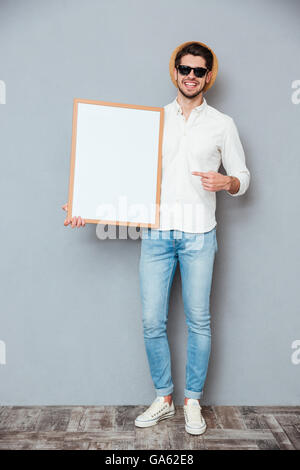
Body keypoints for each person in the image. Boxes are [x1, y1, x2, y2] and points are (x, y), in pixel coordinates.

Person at [62, 41, 250, 436]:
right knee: (152, 321)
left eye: (199, 71)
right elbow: (118, 170)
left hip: (201, 234)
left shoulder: (222, 124)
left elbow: (244, 178)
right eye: (185, 68)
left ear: (209, 76)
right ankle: (164, 398)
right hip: (157, 233)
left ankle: (192, 401)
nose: (191, 76)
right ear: (175, 71)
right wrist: (85, 203)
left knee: (199, 321)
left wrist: (229, 181)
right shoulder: (153, 121)